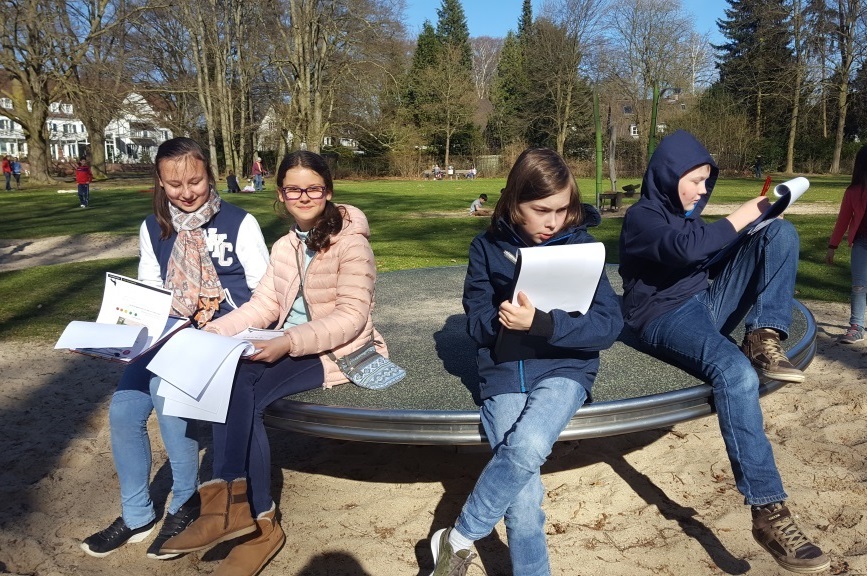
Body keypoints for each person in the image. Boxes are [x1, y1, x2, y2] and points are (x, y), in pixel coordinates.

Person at [158, 150, 388, 576]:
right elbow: (263, 304)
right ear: (280, 195)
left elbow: (351, 316)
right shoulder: (285, 245)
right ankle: (238, 508)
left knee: (244, 388)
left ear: (328, 191)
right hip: (286, 340)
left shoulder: (351, 244)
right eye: (293, 189)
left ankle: (252, 519)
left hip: (341, 350)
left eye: (313, 188)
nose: (304, 196)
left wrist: (287, 341)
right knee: (231, 377)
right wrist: (210, 334)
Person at [618, 130, 829, 574]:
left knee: (780, 233)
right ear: (667, 176)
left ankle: (763, 336)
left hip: (704, 300)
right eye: (693, 181)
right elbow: (683, 250)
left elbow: (704, 260)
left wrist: (758, 224)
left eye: (705, 181)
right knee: (735, 376)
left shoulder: (687, 213)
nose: (701, 190)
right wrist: (745, 213)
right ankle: (769, 514)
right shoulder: (642, 217)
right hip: (661, 316)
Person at [425, 148, 622, 576]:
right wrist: (502, 322)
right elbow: (474, 319)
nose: (554, 221)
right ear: (515, 204)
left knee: (529, 445)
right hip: (504, 373)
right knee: (525, 500)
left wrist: (544, 324)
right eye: (541, 210)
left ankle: (457, 540)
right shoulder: (486, 247)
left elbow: (608, 326)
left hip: (566, 369)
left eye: (563, 209)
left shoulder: (584, 247)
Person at [79, 137, 270, 560]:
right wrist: (112, 335)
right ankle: (136, 515)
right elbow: (148, 290)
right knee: (124, 410)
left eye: (195, 181)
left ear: (210, 176)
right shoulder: (154, 227)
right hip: (163, 335)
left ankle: (185, 503)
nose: (186, 192)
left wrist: (221, 326)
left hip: (216, 337)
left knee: (169, 407)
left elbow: (264, 294)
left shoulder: (239, 223)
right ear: (160, 184)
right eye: (174, 184)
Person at [826, 145, 867, 343]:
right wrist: (832, 246)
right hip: (861, 244)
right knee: (858, 286)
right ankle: (856, 326)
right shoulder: (853, 192)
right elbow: (843, 220)